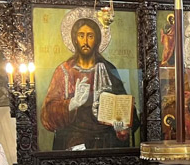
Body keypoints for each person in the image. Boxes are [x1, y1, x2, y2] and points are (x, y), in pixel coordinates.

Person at [41, 18, 130, 150]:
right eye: (81, 36)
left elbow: (124, 108)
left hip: (106, 142)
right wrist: (73, 103)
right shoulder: (64, 71)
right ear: (75, 39)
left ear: (97, 40)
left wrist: (121, 126)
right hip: (74, 142)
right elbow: (47, 115)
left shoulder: (108, 69)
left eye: (90, 36)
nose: (86, 41)